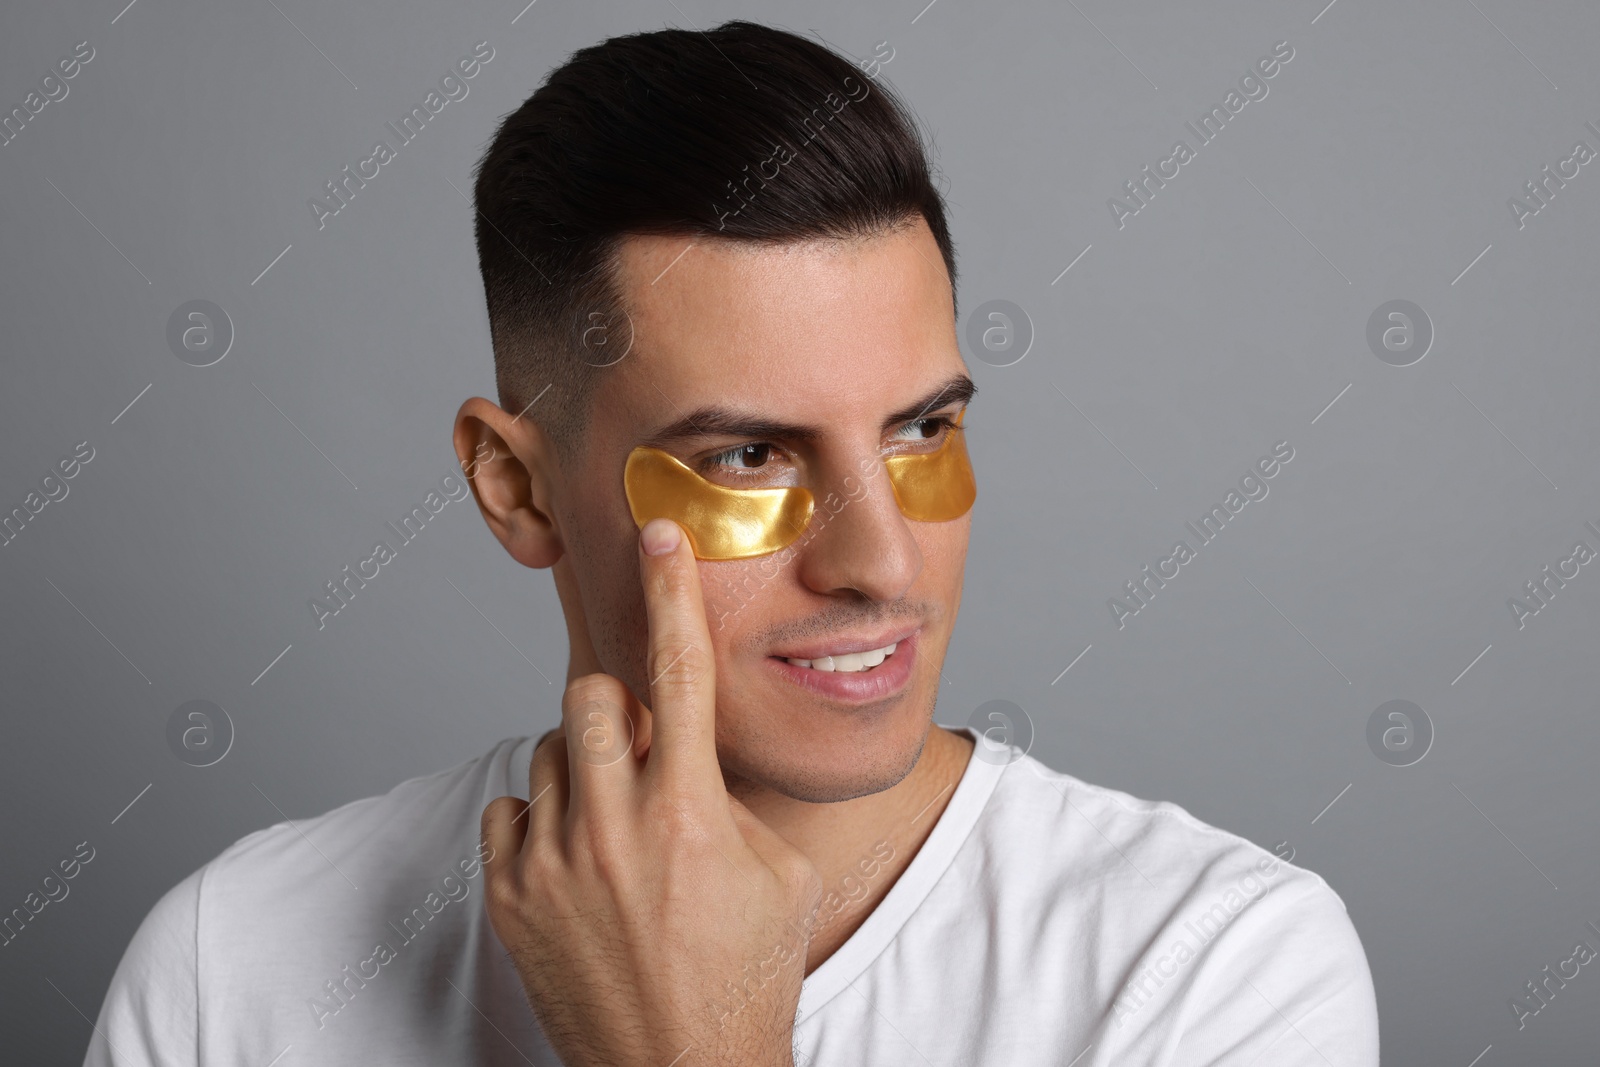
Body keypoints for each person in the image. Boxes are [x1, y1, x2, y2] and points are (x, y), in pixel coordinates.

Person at [84, 20, 1378, 1066]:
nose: (878, 560)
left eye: (921, 430)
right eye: (748, 456)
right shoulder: (239, 963)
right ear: (514, 487)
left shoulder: (1209, 967)